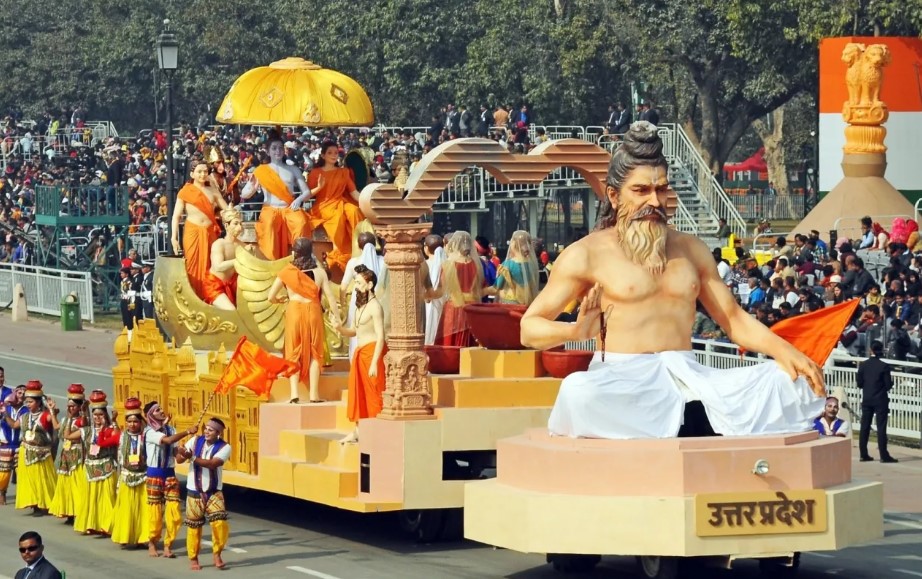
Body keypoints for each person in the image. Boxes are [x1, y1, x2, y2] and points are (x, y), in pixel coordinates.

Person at [520, 122, 824, 439]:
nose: (654, 201)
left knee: (793, 380)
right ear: (613, 195)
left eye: (661, 189)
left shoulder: (691, 249)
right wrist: (575, 331)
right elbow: (530, 328)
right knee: (578, 391)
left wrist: (784, 351)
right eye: (640, 190)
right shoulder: (587, 254)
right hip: (621, 380)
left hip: (689, 373)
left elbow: (733, 319)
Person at [269, 238, 341, 404]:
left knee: (293, 351)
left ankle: (294, 394)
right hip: (313, 311)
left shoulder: (286, 272)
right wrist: (338, 320)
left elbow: (270, 296)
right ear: (311, 252)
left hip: (294, 311)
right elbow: (330, 297)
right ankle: (314, 395)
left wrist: (278, 300)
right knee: (315, 352)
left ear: (294, 253)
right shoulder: (320, 272)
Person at [240, 134, 313, 260]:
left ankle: (300, 259)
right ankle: (271, 262)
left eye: (280, 148)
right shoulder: (261, 170)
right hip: (270, 208)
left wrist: (299, 199)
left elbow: (307, 192)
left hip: (289, 207)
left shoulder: (293, 169)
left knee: (301, 222)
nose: (278, 151)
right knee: (268, 225)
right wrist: (252, 185)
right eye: (274, 148)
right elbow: (244, 194)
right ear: (268, 151)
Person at [336, 266, 387, 444]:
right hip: (360, 354)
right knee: (359, 394)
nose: (355, 286)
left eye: (358, 282)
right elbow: (355, 331)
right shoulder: (360, 306)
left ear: (370, 284)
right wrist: (340, 328)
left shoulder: (375, 307)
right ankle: (358, 430)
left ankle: (377, 430)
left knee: (374, 392)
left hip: (373, 353)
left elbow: (381, 337)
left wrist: (374, 362)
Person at [176, 417, 232, 571]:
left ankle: (217, 553)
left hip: (214, 491)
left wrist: (192, 457)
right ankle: (193, 558)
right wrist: (182, 452)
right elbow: (179, 460)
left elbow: (213, 464)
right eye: (206, 428)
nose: (207, 431)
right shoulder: (194, 441)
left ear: (218, 433)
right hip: (194, 490)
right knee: (194, 527)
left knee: (220, 524)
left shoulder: (225, 447)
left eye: (211, 429)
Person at [171, 160, 229, 299]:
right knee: (192, 266)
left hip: (210, 232)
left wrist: (231, 215)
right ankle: (193, 298)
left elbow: (226, 209)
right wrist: (174, 237)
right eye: (199, 171)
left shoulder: (213, 190)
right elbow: (176, 216)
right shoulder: (185, 191)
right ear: (192, 174)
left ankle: (210, 297)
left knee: (212, 264)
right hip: (193, 232)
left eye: (205, 171)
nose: (203, 174)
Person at [144, 401, 195, 558]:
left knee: (174, 512)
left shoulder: (171, 430)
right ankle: (152, 542)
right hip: (154, 475)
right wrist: (187, 431)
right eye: (157, 410)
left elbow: (177, 458)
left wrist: (185, 454)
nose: (162, 411)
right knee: (155, 513)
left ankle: (168, 545)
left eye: (161, 408)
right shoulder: (149, 432)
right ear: (151, 415)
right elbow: (166, 441)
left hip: (170, 475)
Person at [66, 390, 119, 535]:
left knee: (107, 499)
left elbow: (117, 438)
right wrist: (70, 418)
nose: (97, 417)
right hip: (90, 467)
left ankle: (107, 525)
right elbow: (68, 435)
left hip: (106, 466)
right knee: (91, 499)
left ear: (105, 415)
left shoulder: (109, 429)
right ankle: (91, 524)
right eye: (95, 415)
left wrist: (113, 422)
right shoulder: (87, 430)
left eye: (101, 414)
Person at [308, 141, 365, 275]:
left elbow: (354, 193)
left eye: (336, 153)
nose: (334, 155)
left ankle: (359, 247)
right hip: (323, 206)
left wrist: (369, 200)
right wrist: (319, 187)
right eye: (330, 153)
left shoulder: (343, 172)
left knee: (355, 210)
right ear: (322, 155)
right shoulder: (316, 172)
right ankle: (339, 253)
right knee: (338, 216)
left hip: (340, 202)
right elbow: (308, 194)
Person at [4, 381, 58, 513]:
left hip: (41, 454)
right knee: (29, 480)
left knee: (42, 480)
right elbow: (14, 426)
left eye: (31, 402)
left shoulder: (45, 416)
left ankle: (44, 503)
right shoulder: (24, 416)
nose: (27, 404)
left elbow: (56, 426)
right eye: (26, 402)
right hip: (25, 451)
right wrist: (5, 414)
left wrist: (52, 410)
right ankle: (33, 503)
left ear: (38, 402)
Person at [339, 232, 389, 358]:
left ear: (359, 246)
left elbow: (343, 287)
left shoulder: (353, 262)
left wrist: (343, 303)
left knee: (357, 331)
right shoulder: (384, 261)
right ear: (375, 243)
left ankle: (357, 359)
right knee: (378, 332)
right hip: (379, 301)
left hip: (358, 302)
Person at [433, 231, 485, 347]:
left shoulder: (447, 265)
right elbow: (482, 289)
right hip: (473, 308)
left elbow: (440, 291)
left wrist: (427, 293)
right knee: (471, 341)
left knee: (451, 342)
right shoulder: (478, 265)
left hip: (453, 307)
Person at [110, 398, 150, 548]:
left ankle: (144, 537)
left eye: (135, 421)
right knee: (127, 509)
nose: (132, 424)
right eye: (129, 421)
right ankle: (125, 536)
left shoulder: (145, 437)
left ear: (141, 422)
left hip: (143, 476)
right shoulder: (122, 436)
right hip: (127, 475)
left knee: (143, 508)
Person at [48, 384, 88, 524]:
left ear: (79, 407)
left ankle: (78, 511)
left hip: (76, 455)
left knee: (77, 484)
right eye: (69, 406)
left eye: (73, 406)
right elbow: (56, 427)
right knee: (65, 484)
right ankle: (69, 512)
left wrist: (74, 416)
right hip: (65, 455)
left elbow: (69, 434)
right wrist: (52, 411)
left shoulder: (81, 421)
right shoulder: (65, 419)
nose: (70, 408)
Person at [856, 340, 898, 463]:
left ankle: (863, 454)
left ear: (871, 350)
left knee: (864, 426)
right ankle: (884, 455)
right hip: (880, 399)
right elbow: (887, 385)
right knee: (881, 427)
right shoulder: (884, 366)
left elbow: (859, 384)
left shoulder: (863, 365)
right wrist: (891, 383)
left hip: (867, 398)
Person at [203, 205, 245, 310]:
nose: (239, 227)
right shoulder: (219, 244)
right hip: (214, 286)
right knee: (231, 310)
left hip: (232, 284)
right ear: (226, 226)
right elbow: (218, 267)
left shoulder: (242, 245)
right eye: (235, 223)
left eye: (240, 223)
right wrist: (238, 260)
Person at [494, 230, 540, 306]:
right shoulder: (532, 265)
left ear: (513, 244)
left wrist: (482, 291)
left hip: (510, 302)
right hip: (528, 302)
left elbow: (498, 286)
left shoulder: (508, 264)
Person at [0, 384, 26, 505]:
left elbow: (15, 425)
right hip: (5, 444)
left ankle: (22, 495)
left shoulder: (26, 411)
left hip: (20, 445)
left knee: (21, 472)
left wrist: (5, 414)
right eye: (19, 393)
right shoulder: (6, 408)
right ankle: (2, 493)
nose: (22, 395)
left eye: (24, 393)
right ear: (14, 393)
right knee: (3, 472)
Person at [424, 234, 446, 346]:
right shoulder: (447, 265)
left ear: (426, 248)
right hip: (444, 305)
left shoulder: (423, 265)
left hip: (427, 305)